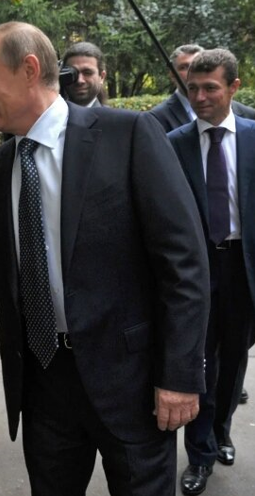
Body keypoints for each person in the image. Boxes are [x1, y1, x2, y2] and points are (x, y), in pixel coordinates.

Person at [0, 21, 210, 496]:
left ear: (29, 70)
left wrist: (180, 375)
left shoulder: (128, 136)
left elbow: (184, 264)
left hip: (132, 383)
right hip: (42, 383)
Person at [167, 48, 255, 496]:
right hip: (195, 271)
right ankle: (199, 455)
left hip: (243, 266)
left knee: (234, 357)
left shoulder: (254, 137)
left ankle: (221, 433)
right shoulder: (173, 144)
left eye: (210, 88)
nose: (199, 97)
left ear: (233, 87)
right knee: (199, 360)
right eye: (193, 89)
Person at [150, 44, 255, 133]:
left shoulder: (248, 115)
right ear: (172, 74)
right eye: (184, 67)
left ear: (233, 87)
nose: (192, 71)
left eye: (196, 65)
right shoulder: (156, 119)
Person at [61, 41, 106, 107]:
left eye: (87, 73)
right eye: (74, 73)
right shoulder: (51, 112)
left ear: (102, 77)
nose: (79, 80)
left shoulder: (111, 114)